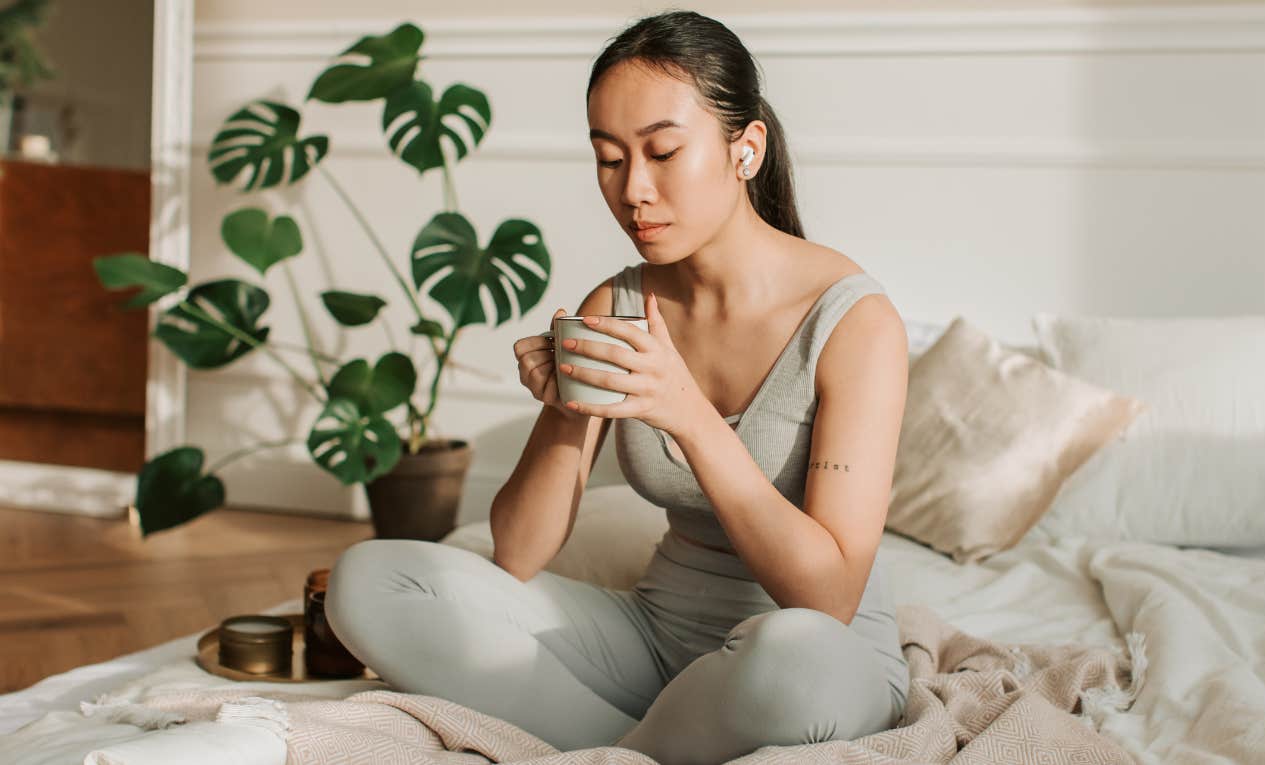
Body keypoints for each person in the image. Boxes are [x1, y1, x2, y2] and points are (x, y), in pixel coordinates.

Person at [326, 10, 911, 764]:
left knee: (793, 660)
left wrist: (692, 417)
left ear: (747, 149)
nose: (634, 189)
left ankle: (601, 745)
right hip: (654, 643)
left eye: (663, 152)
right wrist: (564, 412)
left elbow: (828, 599)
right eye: (608, 158)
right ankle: (636, 749)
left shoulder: (856, 323)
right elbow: (518, 555)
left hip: (813, 658)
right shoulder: (620, 303)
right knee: (371, 579)